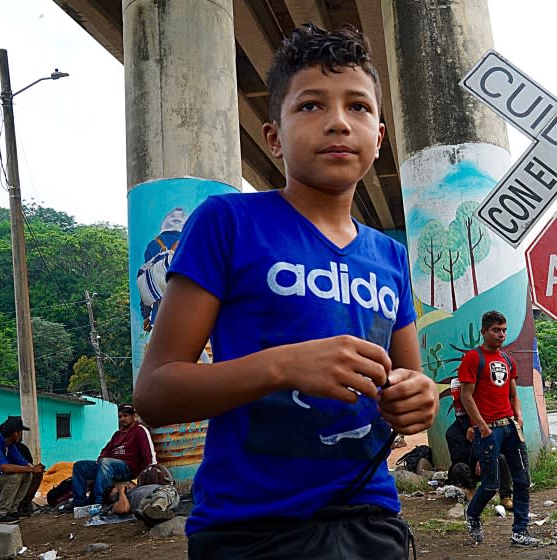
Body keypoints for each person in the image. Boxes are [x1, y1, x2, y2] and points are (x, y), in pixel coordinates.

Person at [133, 23, 438, 560]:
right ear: (273, 137)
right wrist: (283, 366)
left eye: (359, 108)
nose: (339, 122)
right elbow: (155, 394)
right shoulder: (227, 222)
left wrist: (418, 397)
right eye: (311, 106)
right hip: (251, 529)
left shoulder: (391, 258)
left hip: (370, 520)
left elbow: (407, 386)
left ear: (379, 137)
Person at [459, 310, 539, 547]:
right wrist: (481, 426)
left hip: (511, 428)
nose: (501, 335)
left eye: (504, 330)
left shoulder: (506, 360)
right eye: (496, 330)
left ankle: (520, 531)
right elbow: (466, 395)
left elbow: (513, 393)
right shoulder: (474, 358)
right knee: (491, 485)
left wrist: (520, 417)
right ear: (484, 331)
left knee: (523, 480)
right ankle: (472, 515)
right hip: (489, 431)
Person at [71, 404, 156, 507]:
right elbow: (105, 452)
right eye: (120, 416)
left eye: (125, 416)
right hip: (108, 466)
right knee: (79, 466)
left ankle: (100, 502)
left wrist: (151, 468)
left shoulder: (140, 430)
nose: (122, 419)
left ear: (133, 416)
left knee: (106, 462)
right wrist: (99, 464)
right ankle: (79, 503)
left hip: (128, 468)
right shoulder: (117, 435)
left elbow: (149, 452)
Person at [445, 379, 513, 506]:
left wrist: (482, 455)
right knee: (459, 468)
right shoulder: (453, 432)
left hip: (486, 464)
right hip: (470, 470)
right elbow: (458, 459)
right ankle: (471, 489)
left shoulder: (485, 425)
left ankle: (506, 496)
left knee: (501, 458)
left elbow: (499, 446)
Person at [0, 416, 45, 522]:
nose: (21, 434)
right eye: (21, 432)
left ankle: (13, 509)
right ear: (16, 433)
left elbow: (22, 461)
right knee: (14, 477)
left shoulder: (10, 445)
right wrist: (31, 469)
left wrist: (34, 468)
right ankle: (0, 513)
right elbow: (5, 468)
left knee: (27, 474)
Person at [106, 480, 180, 526]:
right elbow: (124, 509)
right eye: (115, 489)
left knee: (162, 494)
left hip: (161, 492)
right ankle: (153, 514)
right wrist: (121, 492)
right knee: (149, 503)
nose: (124, 486)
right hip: (157, 496)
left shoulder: (137, 488)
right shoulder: (117, 503)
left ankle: (154, 512)